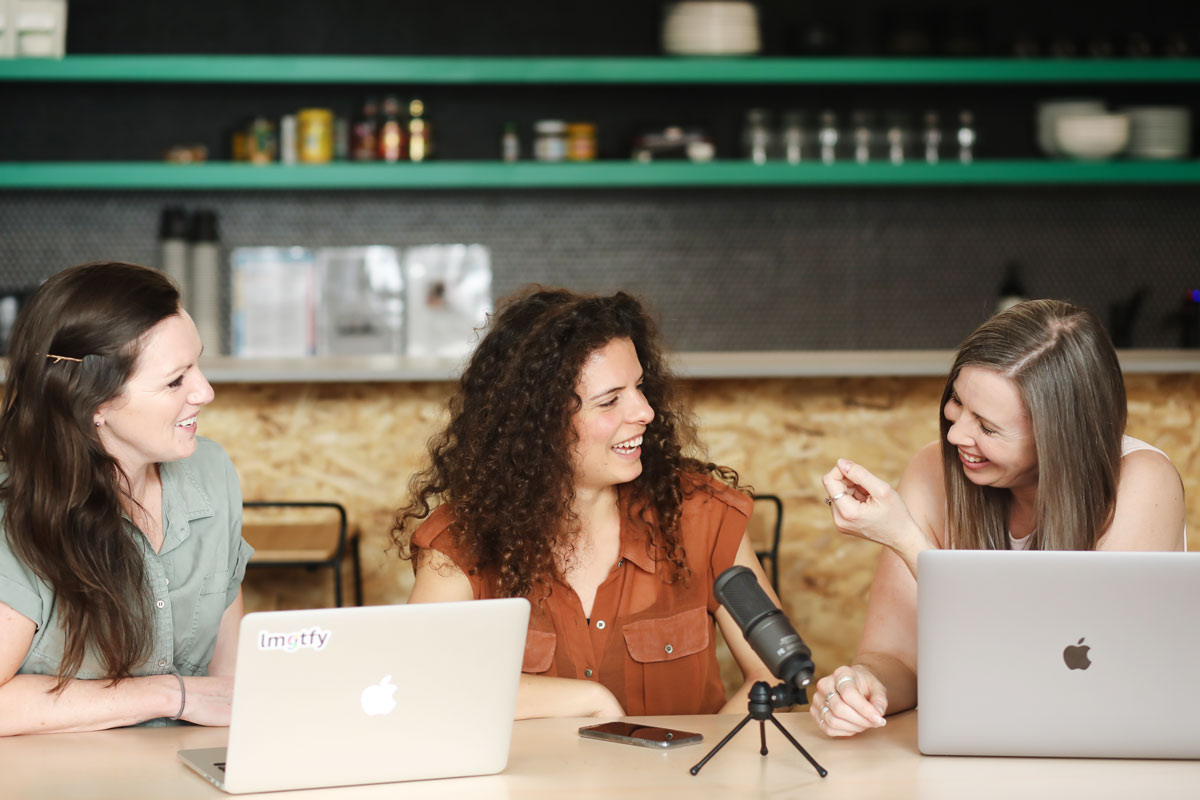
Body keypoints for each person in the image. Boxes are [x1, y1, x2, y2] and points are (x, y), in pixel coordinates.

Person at [393, 287, 778, 719]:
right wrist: (585, 700)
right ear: (539, 424)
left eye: (639, 388)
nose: (645, 412)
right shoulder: (460, 542)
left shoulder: (701, 515)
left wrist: (699, 771)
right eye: (610, 401)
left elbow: (774, 676)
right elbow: (418, 682)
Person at [809, 298, 1186, 738]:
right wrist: (866, 686)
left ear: (1059, 438)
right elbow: (896, 659)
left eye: (987, 428)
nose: (955, 434)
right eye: (956, 402)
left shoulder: (1141, 482)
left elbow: (1070, 675)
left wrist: (906, 540)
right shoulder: (934, 469)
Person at [0, 262, 252, 736]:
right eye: (176, 380)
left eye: (198, 364)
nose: (206, 391)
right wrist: (169, 694)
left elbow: (228, 683)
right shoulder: (12, 516)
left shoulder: (211, 471)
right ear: (96, 404)